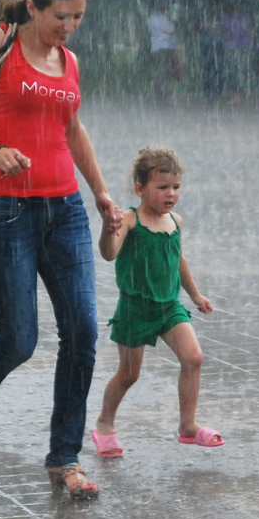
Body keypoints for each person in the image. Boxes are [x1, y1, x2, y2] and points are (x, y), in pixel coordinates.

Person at [0, 0, 121, 499]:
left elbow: (72, 128)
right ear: (34, 7)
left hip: (64, 209)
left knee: (82, 333)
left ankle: (65, 457)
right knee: (19, 339)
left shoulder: (70, 61)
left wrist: (100, 192)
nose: (69, 26)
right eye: (61, 16)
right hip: (3, 212)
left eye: (79, 18)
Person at [91, 146, 222, 457]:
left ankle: (187, 425)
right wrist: (108, 231)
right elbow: (109, 254)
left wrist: (194, 295)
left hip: (168, 307)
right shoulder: (130, 220)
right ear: (140, 188)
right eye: (162, 187)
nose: (171, 194)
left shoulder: (174, 221)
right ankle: (104, 423)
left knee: (193, 358)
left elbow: (178, 260)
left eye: (175, 187)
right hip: (135, 310)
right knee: (129, 374)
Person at [148, 1, 180, 104]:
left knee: (159, 69)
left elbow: (152, 32)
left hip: (156, 47)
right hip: (165, 47)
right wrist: (174, 23)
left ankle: (160, 93)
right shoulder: (164, 18)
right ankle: (163, 94)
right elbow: (171, 29)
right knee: (165, 71)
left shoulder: (150, 19)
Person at [222, 2, 253, 103]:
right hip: (241, 47)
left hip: (234, 47)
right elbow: (247, 32)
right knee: (241, 72)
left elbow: (229, 32)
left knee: (233, 72)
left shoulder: (229, 19)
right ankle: (241, 95)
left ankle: (236, 96)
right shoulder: (243, 18)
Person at [196, 4, 224, 103]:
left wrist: (211, 28)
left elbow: (222, 33)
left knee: (219, 71)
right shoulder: (202, 18)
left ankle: (218, 93)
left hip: (217, 47)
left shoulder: (220, 19)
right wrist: (202, 27)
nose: (212, 9)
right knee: (207, 71)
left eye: (214, 7)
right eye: (211, 7)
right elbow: (196, 30)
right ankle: (208, 95)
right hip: (205, 47)